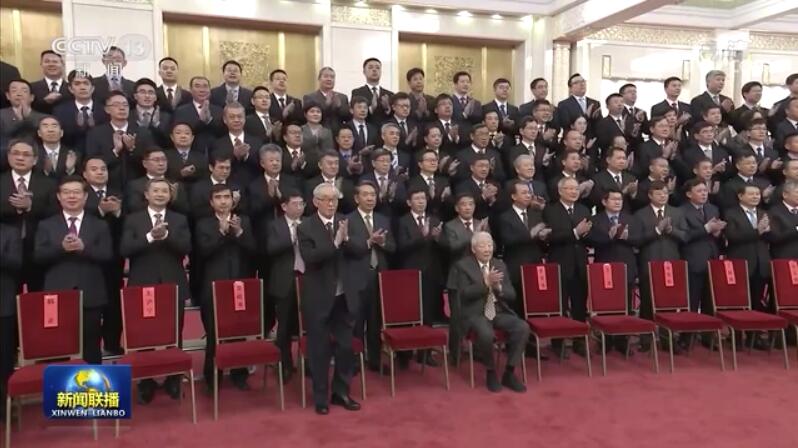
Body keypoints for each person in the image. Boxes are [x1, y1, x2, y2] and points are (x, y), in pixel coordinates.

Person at [119, 178, 191, 403]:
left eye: (164, 191)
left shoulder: (179, 219)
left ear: (170, 195)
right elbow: (125, 249)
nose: (160, 194)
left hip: (172, 281)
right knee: (145, 335)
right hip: (143, 281)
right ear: (147, 194)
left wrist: (167, 237)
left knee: (175, 333)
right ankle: (146, 381)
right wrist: (150, 237)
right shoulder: (133, 219)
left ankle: (174, 378)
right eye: (156, 190)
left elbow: (187, 247)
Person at [34, 176, 112, 364]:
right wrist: (61, 248)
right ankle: (61, 383)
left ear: (85, 196)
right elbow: (38, 257)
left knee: (91, 345)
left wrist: (84, 248)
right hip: (58, 292)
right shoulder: (46, 225)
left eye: (76, 192)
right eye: (66, 192)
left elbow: (107, 255)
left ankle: (93, 381)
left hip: (91, 292)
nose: (71, 196)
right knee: (57, 346)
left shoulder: (99, 224)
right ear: (59, 197)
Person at [297, 182, 361, 415]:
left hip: (344, 295)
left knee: (345, 347)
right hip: (319, 297)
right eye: (326, 199)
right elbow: (310, 257)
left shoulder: (346, 221)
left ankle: (341, 392)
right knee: (319, 350)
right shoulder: (305, 226)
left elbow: (359, 250)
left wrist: (346, 240)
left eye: (334, 199)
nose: (331, 204)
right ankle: (321, 397)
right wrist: (335, 243)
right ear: (316, 202)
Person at [196, 183, 257, 393]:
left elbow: (253, 250)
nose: (223, 201)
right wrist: (221, 232)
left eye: (227, 197)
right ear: (212, 202)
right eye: (218, 198)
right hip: (213, 286)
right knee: (214, 335)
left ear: (233, 200)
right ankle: (212, 378)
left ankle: (240, 374)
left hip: (239, 284)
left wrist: (239, 232)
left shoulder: (244, 221)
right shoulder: (204, 224)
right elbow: (203, 252)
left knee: (239, 331)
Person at [452, 231, 529, 392]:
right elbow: (464, 294)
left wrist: (499, 288)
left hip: (498, 311)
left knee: (522, 327)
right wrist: (485, 283)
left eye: (489, 245)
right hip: (475, 313)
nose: (487, 249)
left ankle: (509, 372)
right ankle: (491, 371)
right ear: (474, 249)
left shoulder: (499, 265)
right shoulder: (463, 266)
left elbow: (512, 295)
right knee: (486, 333)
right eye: (482, 246)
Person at [344, 181, 395, 371]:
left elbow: (393, 247)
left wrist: (382, 243)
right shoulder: (347, 220)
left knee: (375, 321)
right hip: (356, 278)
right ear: (357, 198)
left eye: (373, 195)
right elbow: (347, 248)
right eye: (365, 195)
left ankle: (375, 359)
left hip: (378, 277)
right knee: (356, 322)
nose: (370, 198)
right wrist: (369, 241)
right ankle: (354, 361)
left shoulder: (383, 219)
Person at [633, 180, 687, 351]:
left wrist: (672, 231)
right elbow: (636, 240)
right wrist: (656, 231)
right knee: (647, 302)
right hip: (649, 262)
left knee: (669, 303)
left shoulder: (677, 212)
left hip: (671, 263)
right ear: (650, 195)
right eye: (658, 193)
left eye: (665, 193)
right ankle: (646, 340)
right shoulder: (640, 215)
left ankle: (668, 339)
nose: (663, 196)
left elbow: (685, 236)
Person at [586, 188, 640, 354]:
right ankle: (605, 341)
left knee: (626, 305)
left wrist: (627, 238)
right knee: (605, 305)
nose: (618, 202)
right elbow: (589, 240)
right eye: (614, 199)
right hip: (604, 266)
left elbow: (640, 239)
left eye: (620, 199)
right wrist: (608, 237)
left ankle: (623, 341)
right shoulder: (595, 219)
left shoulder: (631, 218)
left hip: (626, 266)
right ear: (604, 202)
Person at [1, 139, 58, 292]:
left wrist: (30, 206)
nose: (20, 158)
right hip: (5, 253)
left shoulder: (49, 184)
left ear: (35, 160)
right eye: (16, 153)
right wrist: (15, 208)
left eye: (26, 155)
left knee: (38, 295)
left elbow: (55, 213)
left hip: (37, 248)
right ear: (8, 156)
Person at [543, 177, 591, 357]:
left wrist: (584, 234)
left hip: (580, 264)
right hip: (560, 263)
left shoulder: (584, 209)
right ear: (560, 191)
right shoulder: (550, 210)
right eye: (569, 189)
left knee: (580, 306)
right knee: (560, 305)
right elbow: (551, 237)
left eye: (576, 189)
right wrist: (575, 233)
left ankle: (579, 341)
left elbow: (589, 233)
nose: (573, 192)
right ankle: (558, 343)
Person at [82, 156, 125, 355]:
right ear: (85, 174)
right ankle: (88, 347)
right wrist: (100, 210)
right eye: (94, 169)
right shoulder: (79, 194)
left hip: (114, 257)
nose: (100, 172)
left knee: (114, 301)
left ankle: (112, 342)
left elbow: (130, 220)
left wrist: (117, 212)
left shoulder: (118, 192)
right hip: (87, 255)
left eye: (103, 169)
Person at [265, 190, 306, 381]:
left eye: (301, 204)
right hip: (284, 279)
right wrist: (293, 238)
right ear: (284, 206)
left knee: (307, 323)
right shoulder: (274, 225)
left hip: (306, 279)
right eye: (295, 204)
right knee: (285, 326)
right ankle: (285, 364)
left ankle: (308, 362)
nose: (299, 207)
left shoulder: (309, 223)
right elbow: (271, 249)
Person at [680, 178, 724, 315]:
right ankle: (690, 328)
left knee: (710, 301)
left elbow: (715, 235)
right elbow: (684, 236)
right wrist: (706, 229)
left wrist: (717, 232)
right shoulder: (681, 211)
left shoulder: (713, 209)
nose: (704, 193)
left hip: (712, 259)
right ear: (689, 194)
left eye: (705, 190)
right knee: (692, 301)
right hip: (693, 260)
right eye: (699, 191)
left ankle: (709, 328)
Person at [0, 223, 21, 419]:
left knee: (4, 359)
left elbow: (16, 262)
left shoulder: (10, 232)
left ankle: (4, 407)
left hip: (3, 305)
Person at [303, 67, 350, 131]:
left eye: (332, 77)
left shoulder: (342, 97)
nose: (329, 79)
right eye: (326, 76)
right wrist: (326, 105)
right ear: (319, 79)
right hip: (319, 133)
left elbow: (347, 118)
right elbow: (308, 118)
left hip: (338, 133)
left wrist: (339, 106)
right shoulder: (310, 97)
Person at [351, 58, 394, 126]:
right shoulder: (357, 92)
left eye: (377, 68)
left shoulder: (389, 94)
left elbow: (393, 116)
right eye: (370, 67)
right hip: (366, 129)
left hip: (385, 130)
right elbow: (354, 115)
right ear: (364, 72)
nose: (374, 70)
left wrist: (387, 108)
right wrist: (371, 108)